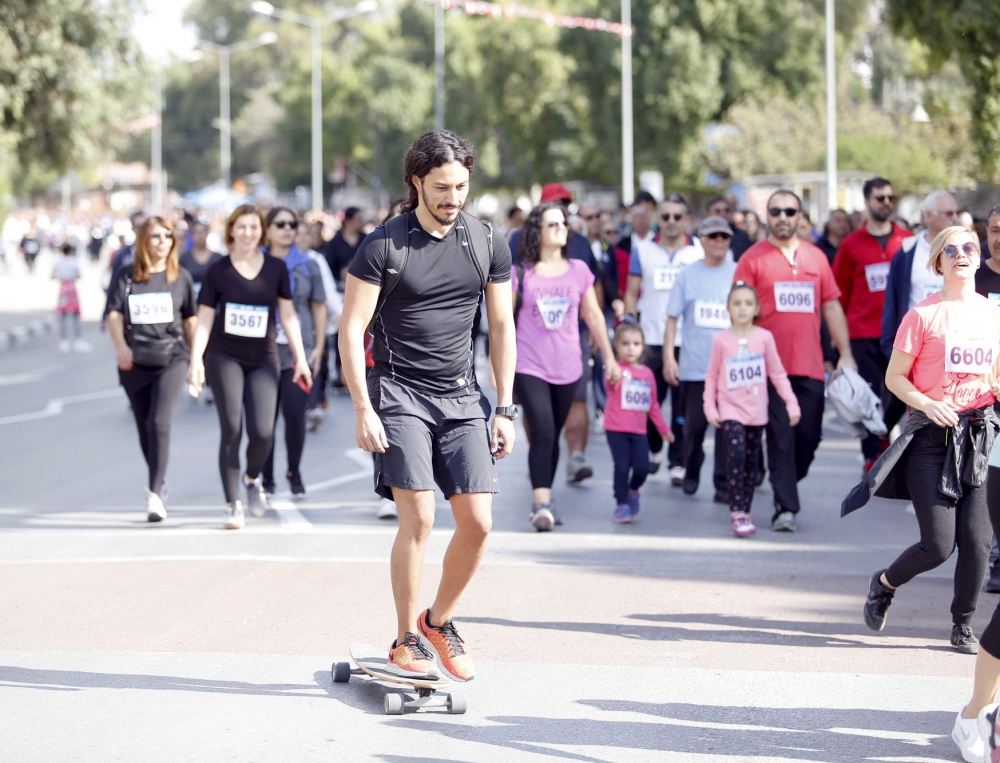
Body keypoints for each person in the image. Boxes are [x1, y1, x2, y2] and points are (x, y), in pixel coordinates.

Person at [339, 129, 516, 682]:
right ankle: (405, 639)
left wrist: (504, 407)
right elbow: (350, 330)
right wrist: (363, 407)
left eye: (462, 186)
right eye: (442, 186)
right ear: (416, 181)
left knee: (479, 522)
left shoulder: (486, 241)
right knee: (419, 516)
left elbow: (503, 325)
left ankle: (438, 620)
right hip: (398, 393)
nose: (454, 197)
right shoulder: (383, 246)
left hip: (461, 397)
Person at [847, 227, 1000, 680]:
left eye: (969, 247)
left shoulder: (993, 314)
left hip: (979, 437)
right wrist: (929, 402)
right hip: (930, 438)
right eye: (950, 250)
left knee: (978, 540)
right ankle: (885, 583)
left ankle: (963, 624)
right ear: (938, 263)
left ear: (979, 257)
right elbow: (896, 377)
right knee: (939, 544)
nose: (961, 255)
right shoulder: (922, 315)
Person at [733, 189, 856, 532]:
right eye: (776, 211)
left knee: (809, 435)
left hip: (810, 366)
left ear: (801, 216)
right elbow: (738, 311)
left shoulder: (817, 258)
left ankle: (782, 477)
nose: (783, 217)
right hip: (767, 369)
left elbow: (831, 306)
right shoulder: (752, 259)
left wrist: (844, 353)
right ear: (768, 216)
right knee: (780, 437)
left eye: (790, 211)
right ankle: (785, 507)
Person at [187, 204, 312, 530]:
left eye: (253, 227)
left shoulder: (275, 268)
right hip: (223, 357)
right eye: (241, 227)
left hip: (264, 359)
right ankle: (232, 504)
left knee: (263, 432)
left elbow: (288, 315)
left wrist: (300, 358)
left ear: (262, 231)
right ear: (231, 231)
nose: (247, 233)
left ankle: (252, 478)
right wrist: (195, 360)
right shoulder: (218, 271)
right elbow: (204, 319)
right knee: (232, 429)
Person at [512, 202, 621, 531]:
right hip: (529, 363)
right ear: (537, 232)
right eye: (552, 224)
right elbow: (503, 322)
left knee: (552, 433)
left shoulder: (578, 270)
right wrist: (496, 364)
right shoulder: (522, 272)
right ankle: (542, 503)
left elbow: (595, 316)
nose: (561, 228)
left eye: (563, 224)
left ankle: (545, 496)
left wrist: (610, 358)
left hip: (568, 365)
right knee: (542, 429)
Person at [510, 183, 603, 484]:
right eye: (555, 204)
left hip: (571, 344)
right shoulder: (516, 242)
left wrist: (597, 334)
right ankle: (542, 455)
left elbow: (594, 285)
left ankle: (575, 455)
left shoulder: (577, 242)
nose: (562, 211)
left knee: (576, 402)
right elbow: (503, 310)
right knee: (543, 425)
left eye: (565, 205)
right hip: (529, 353)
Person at [106, 217, 197, 522]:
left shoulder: (180, 276)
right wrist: (120, 346)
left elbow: (190, 321)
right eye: (156, 235)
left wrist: (197, 359)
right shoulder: (126, 275)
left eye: (168, 235)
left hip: (172, 358)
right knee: (145, 427)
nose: (162, 240)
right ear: (144, 239)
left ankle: (154, 493)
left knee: (160, 422)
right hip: (134, 361)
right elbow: (114, 315)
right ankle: (159, 480)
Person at [704, 282, 801, 536]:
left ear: (756, 308)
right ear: (728, 308)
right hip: (730, 409)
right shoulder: (721, 340)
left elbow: (777, 373)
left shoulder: (764, 338)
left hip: (757, 411)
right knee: (735, 453)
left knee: (750, 461)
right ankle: (737, 511)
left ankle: (745, 509)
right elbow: (712, 375)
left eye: (748, 303)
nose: (742, 308)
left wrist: (791, 403)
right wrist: (710, 407)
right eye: (737, 303)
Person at [833, 178, 911, 473]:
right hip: (862, 332)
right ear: (866, 202)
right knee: (868, 396)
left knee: (899, 392)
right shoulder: (851, 245)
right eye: (880, 198)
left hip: (900, 333)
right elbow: (838, 293)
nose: (886, 203)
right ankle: (870, 457)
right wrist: (838, 341)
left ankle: (881, 433)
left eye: (890, 197)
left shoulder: (906, 241)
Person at [624, 193, 703, 484]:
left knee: (684, 406)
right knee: (651, 400)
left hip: (688, 341)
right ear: (658, 218)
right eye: (666, 216)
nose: (671, 222)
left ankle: (678, 460)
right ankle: (656, 447)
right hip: (652, 338)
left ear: (687, 220)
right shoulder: (643, 250)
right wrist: (630, 322)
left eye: (677, 217)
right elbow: (632, 292)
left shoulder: (698, 251)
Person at [663, 216, 738, 500]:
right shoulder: (687, 275)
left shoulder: (738, 272)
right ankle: (691, 467)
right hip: (695, 367)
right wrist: (670, 358)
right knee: (694, 426)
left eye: (724, 236)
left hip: (731, 367)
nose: (719, 241)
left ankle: (722, 482)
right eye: (713, 236)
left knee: (726, 427)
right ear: (702, 240)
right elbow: (672, 319)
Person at [259, 208, 327, 497]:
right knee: (263, 422)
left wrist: (319, 348)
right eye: (280, 224)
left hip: (299, 354)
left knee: (295, 416)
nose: (287, 229)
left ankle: (294, 470)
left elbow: (319, 307)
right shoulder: (255, 262)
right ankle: (265, 477)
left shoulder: (308, 265)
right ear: (268, 228)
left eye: (292, 224)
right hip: (261, 354)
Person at [881, 191, 958, 433]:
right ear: (928, 216)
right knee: (920, 419)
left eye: (956, 212)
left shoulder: (964, 251)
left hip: (955, 347)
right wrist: (889, 343)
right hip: (917, 349)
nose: (955, 218)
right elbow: (892, 302)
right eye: (948, 213)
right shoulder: (907, 252)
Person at [603, 322, 671, 523]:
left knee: (642, 468)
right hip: (616, 429)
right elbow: (608, 385)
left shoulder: (647, 374)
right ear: (616, 346)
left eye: (635, 343)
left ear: (643, 346)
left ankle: (633, 490)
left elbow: (653, 405)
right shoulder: (615, 368)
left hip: (639, 431)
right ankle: (621, 504)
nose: (630, 348)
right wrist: (613, 374)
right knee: (622, 467)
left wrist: (663, 430)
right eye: (625, 343)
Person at [52, 242, 91, 353]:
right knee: (75, 315)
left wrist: (61, 276)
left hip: (63, 288)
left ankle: (64, 341)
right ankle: (78, 340)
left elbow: (52, 275)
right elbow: (79, 275)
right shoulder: (74, 262)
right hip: (72, 288)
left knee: (63, 316)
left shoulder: (58, 262)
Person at [179, 218, 223, 300]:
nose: (200, 235)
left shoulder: (218, 258)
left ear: (207, 233)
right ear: (192, 234)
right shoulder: (184, 258)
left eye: (202, 232)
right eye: (197, 232)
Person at [324, 207, 365, 287]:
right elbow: (329, 263)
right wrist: (340, 272)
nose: (362, 222)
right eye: (359, 219)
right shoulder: (335, 242)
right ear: (349, 221)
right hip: (339, 284)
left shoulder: (366, 239)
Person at [706, 195, 752, 260]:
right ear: (707, 214)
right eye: (717, 211)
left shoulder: (742, 236)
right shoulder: (698, 236)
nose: (723, 214)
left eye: (727, 210)